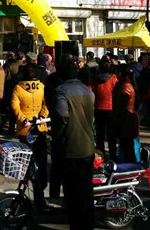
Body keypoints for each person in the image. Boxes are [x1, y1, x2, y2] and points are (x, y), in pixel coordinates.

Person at [51, 54, 95, 230]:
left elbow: (62, 115)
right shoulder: (88, 91)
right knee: (86, 191)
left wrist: (56, 136)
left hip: (71, 147)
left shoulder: (61, 91)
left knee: (72, 193)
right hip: (88, 146)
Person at [11, 63, 49, 209]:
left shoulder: (18, 88)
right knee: (41, 163)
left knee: (26, 163)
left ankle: (24, 191)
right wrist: (42, 116)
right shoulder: (41, 87)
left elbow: (15, 106)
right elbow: (46, 103)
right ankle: (40, 196)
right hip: (40, 127)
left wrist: (23, 119)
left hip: (25, 129)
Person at [93, 60, 119, 161]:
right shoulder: (113, 78)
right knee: (111, 135)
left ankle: (100, 157)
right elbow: (116, 91)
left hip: (98, 108)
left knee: (100, 135)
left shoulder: (95, 78)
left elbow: (91, 90)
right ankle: (112, 156)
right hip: (110, 108)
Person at [113, 64, 139, 163]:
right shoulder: (126, 85)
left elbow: (120, 106)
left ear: (120, 73)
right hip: (128, 120)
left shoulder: (124, 88)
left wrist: (116, 119)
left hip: (125, 120)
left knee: (126, 147)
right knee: (128, 146)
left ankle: (126, 166)